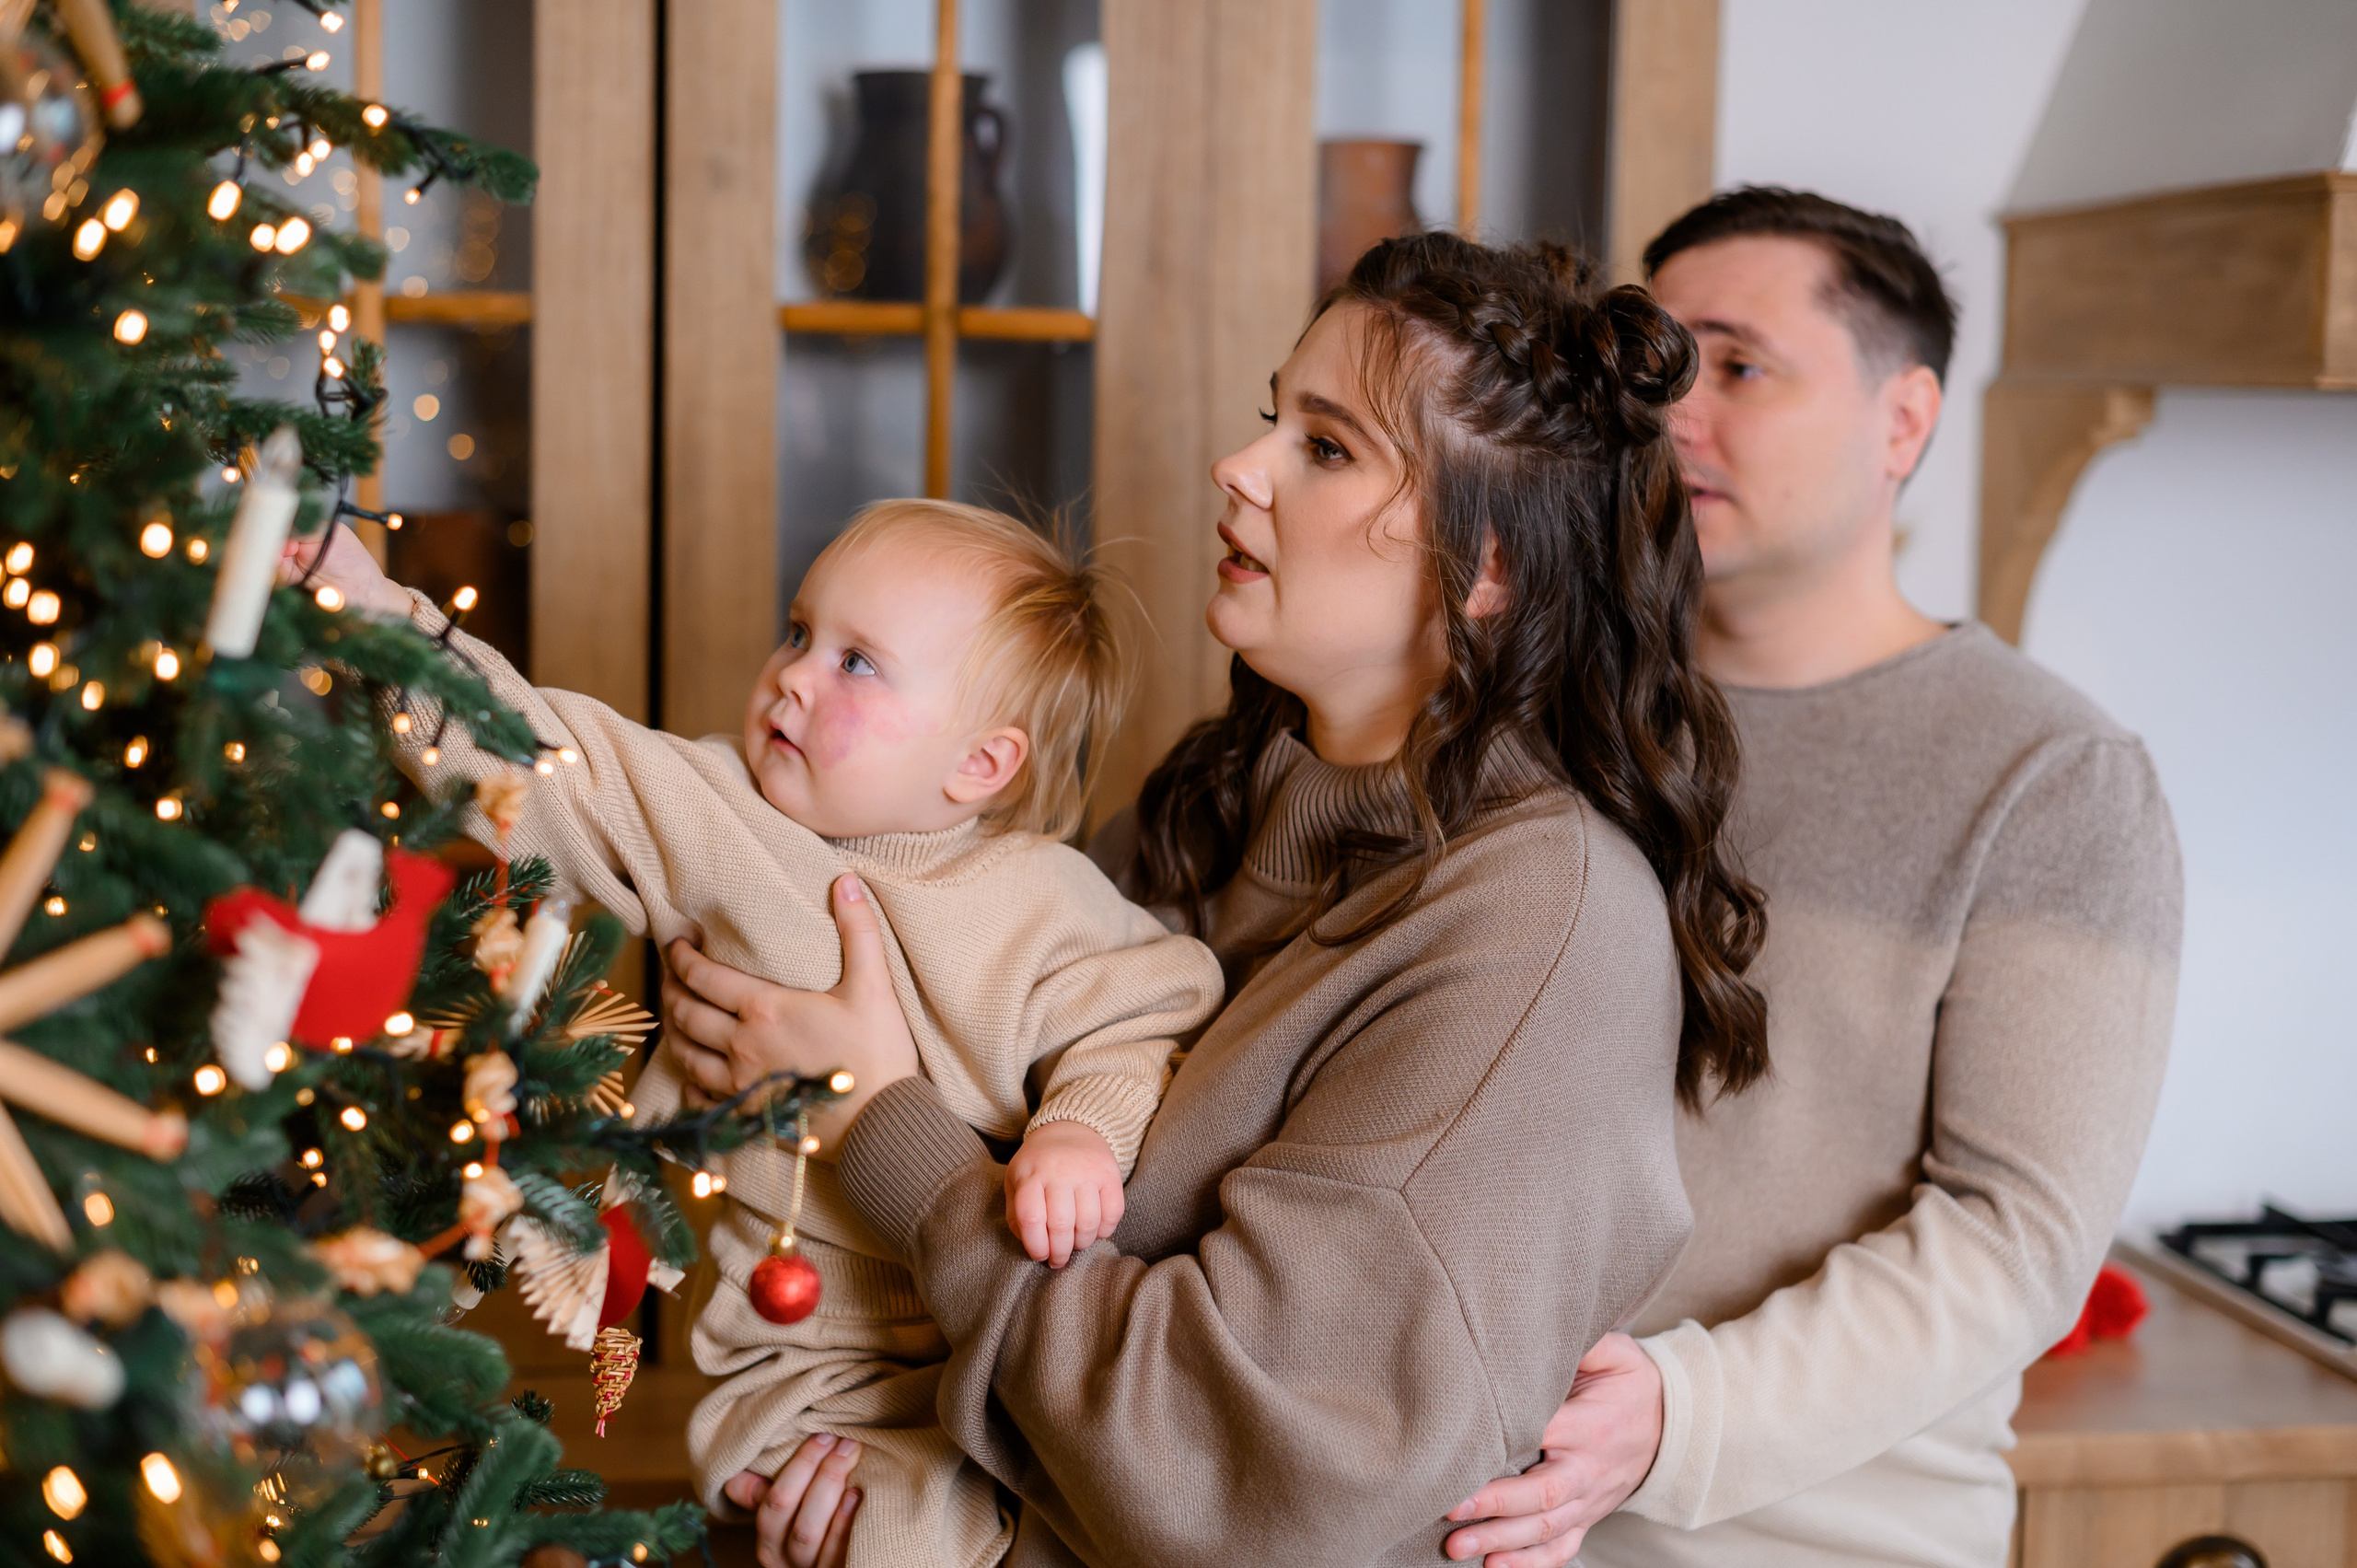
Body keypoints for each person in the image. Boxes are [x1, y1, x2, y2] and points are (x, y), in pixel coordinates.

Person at [657, 232, 1771, 1568]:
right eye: (1270, 419)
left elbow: (1248, 1475)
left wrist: (876, 1116)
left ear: (1484, 568)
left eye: (1327, 446)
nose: (1237, 469)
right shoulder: (1226, 800)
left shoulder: (1539, 923)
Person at [1439, 188, 2183, 1568]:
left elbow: (2014, 1238)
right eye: (1654, 368)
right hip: (1458, 1514)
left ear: (1902, 422)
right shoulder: (1542, 704)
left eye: (1738, 365)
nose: (1671, 415)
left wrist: (1674, 1412)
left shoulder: (2058, 776)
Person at [284, 500, 1227, 1568]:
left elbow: (1153, 1004)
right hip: (804, 1370)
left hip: (988, 1346)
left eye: (857, 663)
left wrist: (1079, 1132)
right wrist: (370, 610)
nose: (793, 673)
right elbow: (554, 767)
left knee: (1061, 1510)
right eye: (796, 631)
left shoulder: (1039, 903)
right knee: (889, 1528)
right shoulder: (725, 814)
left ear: (980, 763)